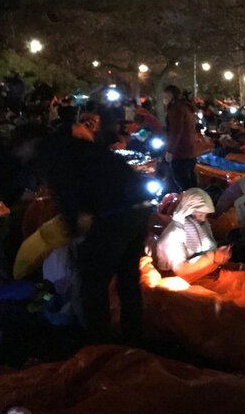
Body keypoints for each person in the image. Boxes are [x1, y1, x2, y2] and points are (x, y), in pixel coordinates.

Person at [36, 135, 151, 343]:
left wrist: (77, 235)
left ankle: (101, 343)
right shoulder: (92, 153)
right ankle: (133, 339)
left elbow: (70, 203)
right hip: (137, 211)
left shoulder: (60, 161)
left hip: (111, 219)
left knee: (95, 285)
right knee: (128, 282)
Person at [156, 188, 231, 282]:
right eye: (200, 215)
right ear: (188, 211)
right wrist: (213, 256)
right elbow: (181, 270)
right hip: (177, 284)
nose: (204, 219)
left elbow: (208, 247)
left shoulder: (200, 223)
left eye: (205, 215)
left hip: (203, 275)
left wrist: (221, 252)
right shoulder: (173, 235)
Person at [163, 85, 199, 192]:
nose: (163, 100)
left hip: (181, 150)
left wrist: (170, 150)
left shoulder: (176, 109)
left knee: (181, 179)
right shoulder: (186, 107)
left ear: (171, 96)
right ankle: (195, 199)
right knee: (190, 178)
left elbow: (176, 131)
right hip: (190, 148)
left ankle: (188, 201)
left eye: (165, 97)